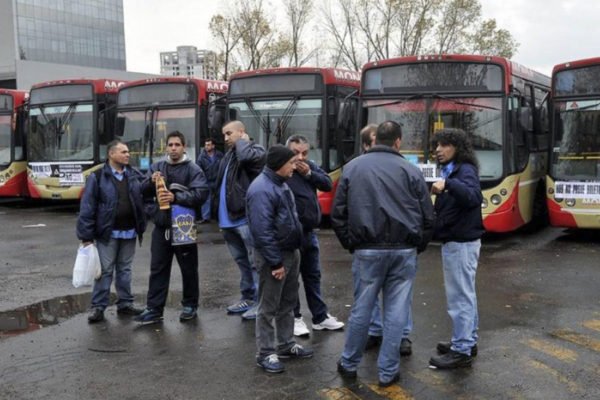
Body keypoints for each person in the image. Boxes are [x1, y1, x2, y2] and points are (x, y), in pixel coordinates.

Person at [332, 121, 434, 387]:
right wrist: (418, 244)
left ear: (375, 140)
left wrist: (351, 243)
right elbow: (428, 216)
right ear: (398, 142)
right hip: (404, 249)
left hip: (367, 249)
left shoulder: (353, 168)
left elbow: (338, 214)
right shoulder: (411, 171)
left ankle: (349, 362)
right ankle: (388, 371)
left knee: (362, 309)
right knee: (397, 311)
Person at [247, 144, 313, 374]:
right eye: (291, 162)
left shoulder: (279, 183)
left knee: (287, 302)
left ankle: (285, 344)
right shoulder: (261, 190)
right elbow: (262, 230)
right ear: (278, 165)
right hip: (274, 256)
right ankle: (265, 353)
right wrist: (275, 263)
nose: (295, 166)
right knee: (268, 305)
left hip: (289, 252)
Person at [135, 131, 208, 324]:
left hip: (184, 227)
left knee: (188, 269)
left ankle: (190, 305)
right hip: (162, 227)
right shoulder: (157, 167)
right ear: (166, 147)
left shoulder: (193, 169)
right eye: (170, 145)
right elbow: (142, 192)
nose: (173, 148)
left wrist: (177, 198)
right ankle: (154, 309)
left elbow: (201, 195)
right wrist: (151, 188)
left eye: (177, 144)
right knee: (158, 268)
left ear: (184, 147)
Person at [428, 128, 484, 369]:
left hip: (461, 242)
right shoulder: (453, 170)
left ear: (458, 147)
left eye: (444, 145)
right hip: (458, 240)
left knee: (460, 297)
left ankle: (461, 350)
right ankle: (466, 341)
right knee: (465, 294)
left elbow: (473, 196)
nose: (438, 150)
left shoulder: (463, 171)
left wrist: (447, 184)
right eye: (437, 146)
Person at [360, 123, 414, 357]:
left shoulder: (405, 167)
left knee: (399, 296)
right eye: (374, 141)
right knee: (369, 295)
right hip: (370, 242)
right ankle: (375, 331)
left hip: (397, 243)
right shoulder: (357, 168)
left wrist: (416, 239)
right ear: (365, 146)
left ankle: (402, 336)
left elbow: (418, 208)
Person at [77, 140, 146, 323]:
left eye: (128, 152)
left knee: (125, 269)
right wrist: (86, 236)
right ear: (111, 154)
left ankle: (125, 304)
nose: (127, 154)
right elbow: (88, 207)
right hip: (108, 233)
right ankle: (98, 307)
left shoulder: (133, 174)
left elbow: (143, 195)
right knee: (105, 271)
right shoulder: (97, 177)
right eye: (123, 151)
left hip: (130, 231)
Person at [285, 135, 344, 337]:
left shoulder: (309, 166)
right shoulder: (283, 168)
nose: (300, 157)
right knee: (292, 278)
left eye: (304, 153)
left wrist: (310, 173)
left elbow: (327, 183)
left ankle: (320, 317)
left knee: (313, 276)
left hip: (310, 231)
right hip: (291, 233)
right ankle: (295, 318)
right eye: (295, 153)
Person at [214, 120, 266, 320]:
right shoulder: (229, 155)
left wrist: (243, 142)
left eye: (229, 134)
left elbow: (246, 159)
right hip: (227, 221)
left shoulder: (255, 151)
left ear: (242, 132)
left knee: (256, 263)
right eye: (224, 134)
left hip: (244, 218)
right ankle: (248, 297)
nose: (225, 138)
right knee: (242, 262)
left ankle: (261, 303)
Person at [196, 138, 223, 223]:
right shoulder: (201, 157)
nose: (206, 147)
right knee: (206, 199)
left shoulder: (220, 155)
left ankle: (219, 217)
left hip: (218, 180)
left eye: (208, 145)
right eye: (205, 145)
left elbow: (223, 166)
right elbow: (198, 169)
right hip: (206, 181)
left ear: (213, 146)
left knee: (220, 199)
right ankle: (206, 218)